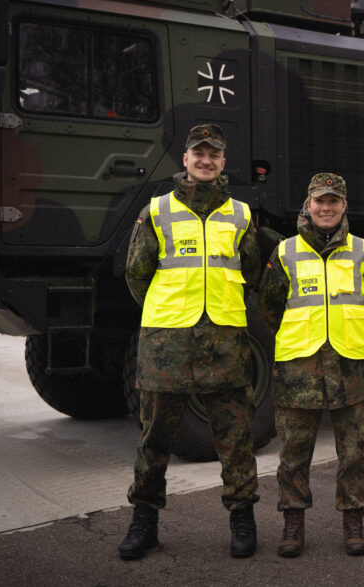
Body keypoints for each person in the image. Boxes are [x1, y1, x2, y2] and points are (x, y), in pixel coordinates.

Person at [118, 123, 261, 560]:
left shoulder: (241, 214)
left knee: (236, 437)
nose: (205, 160)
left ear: (222, 161)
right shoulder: (157, 211)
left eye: (214, 154)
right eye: (198, 153)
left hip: (224, 343)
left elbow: (250, 273)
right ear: (185, 159)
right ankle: (144, 521)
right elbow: (137, 275)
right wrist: (167, 319)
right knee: (155, 437)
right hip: (167, 345)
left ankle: (242, 519)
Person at [258, 173, 364, 558]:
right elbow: (270, 308)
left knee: (354, 454)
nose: (326, 208)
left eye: (334, 202)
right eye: (320, 201)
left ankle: (353, 524)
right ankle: (293, 525)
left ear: (343, 206)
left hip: (354, 371)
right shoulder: (285, 252)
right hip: (299, 370)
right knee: (294, 453)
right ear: (308, 205)